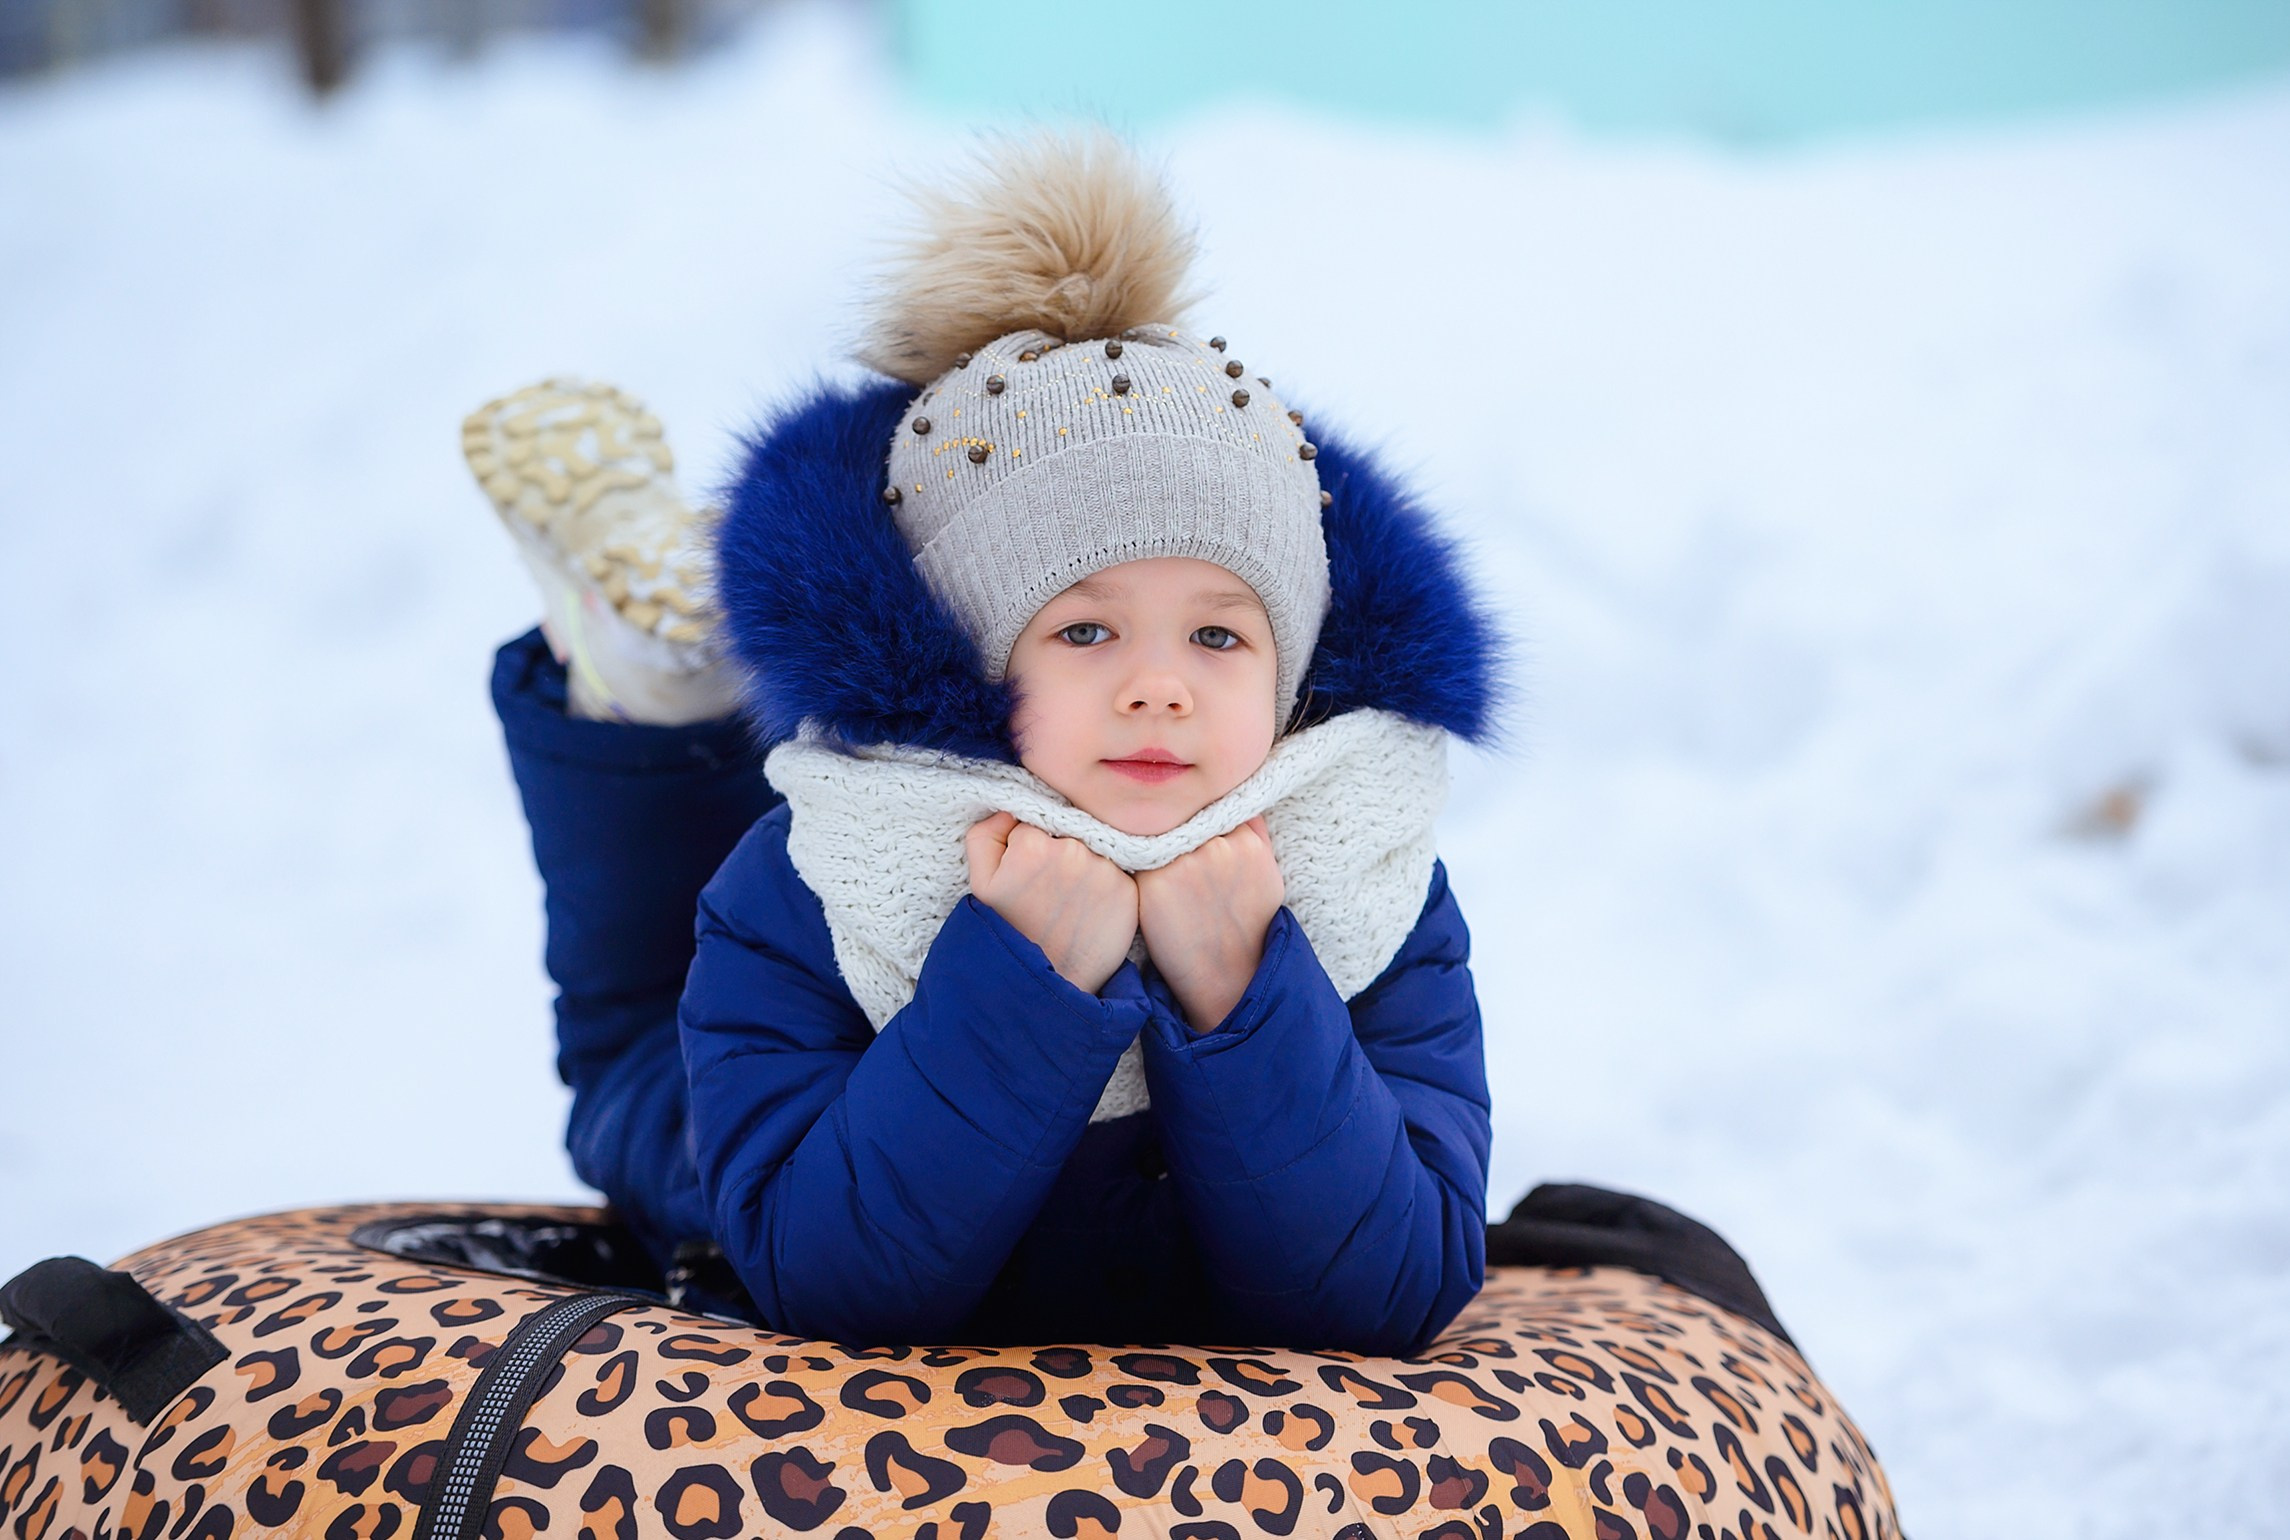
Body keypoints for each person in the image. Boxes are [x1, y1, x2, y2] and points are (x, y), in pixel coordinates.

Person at [484, 131, 1508, 1353]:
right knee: (639, 1064)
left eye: (1218, 636)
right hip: (746, 1098)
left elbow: (1390, 1296)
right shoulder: (802, 886)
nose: (1159, 687)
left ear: (1289, 670)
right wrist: (1023, 983)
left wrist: (1246, 992)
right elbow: (830, 1286)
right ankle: (650, 680)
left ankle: (690, 655)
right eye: (1084, 629)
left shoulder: (1369, 881)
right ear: (968, 654)